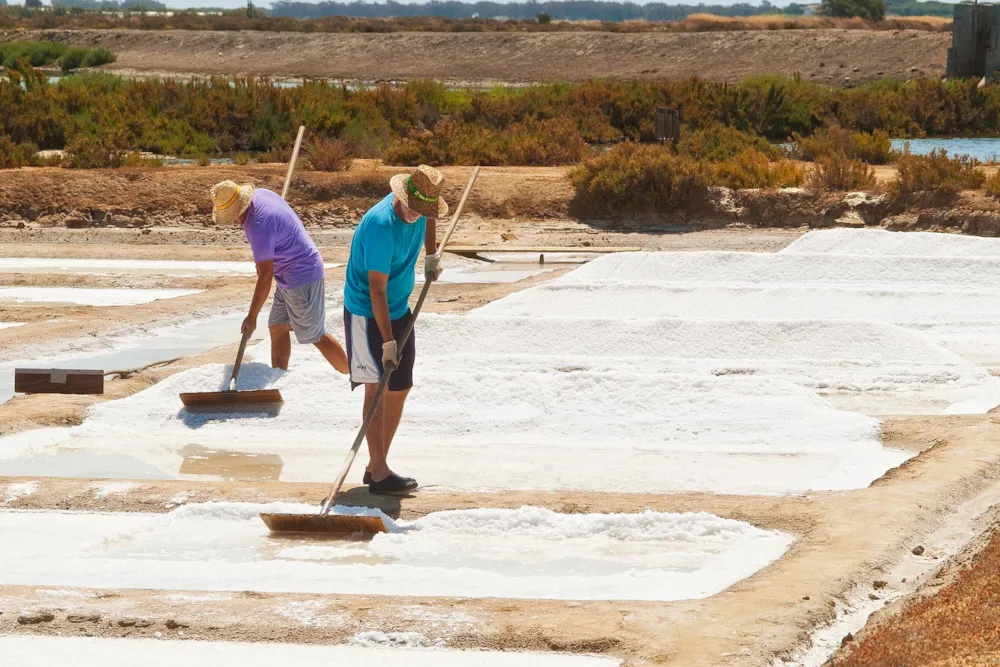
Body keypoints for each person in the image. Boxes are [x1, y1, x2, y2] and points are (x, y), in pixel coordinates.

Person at [343, 165, 447, 495]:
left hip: (399, 307)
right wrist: (387, 341)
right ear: (403, 198)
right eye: (415, 208)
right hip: (367, 311)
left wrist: (431, 255)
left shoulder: (424, 210)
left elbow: (430, 218)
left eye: (426, 209)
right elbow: (376, 290)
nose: (419, 214)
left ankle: (376, 465)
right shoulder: (381, 225)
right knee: (375, 388)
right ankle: (380, 472)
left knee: (400, 386)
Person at [209, 180, 348, 375]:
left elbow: (265, 275)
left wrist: (252, 316)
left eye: (233, 217)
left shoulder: (257, 224)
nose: (235, 222)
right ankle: (279, 376)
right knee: (277, 326)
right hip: (288, 273)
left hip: (301, 275)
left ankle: (354, 378)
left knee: (315, 334)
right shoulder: (262, 195)